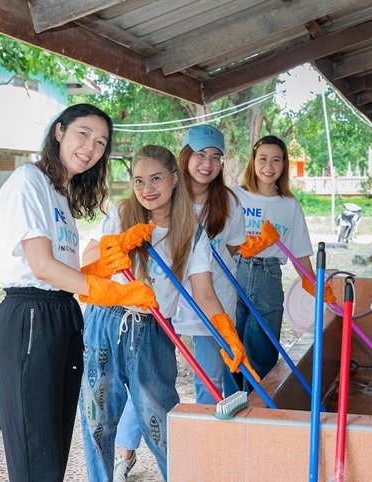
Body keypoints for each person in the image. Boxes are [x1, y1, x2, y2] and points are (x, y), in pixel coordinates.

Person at [0, 104, 158, 482]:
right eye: (83, 133)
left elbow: (63, 268)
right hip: (30, 315)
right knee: (36, 451)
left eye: (101, 142)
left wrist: (104, 263)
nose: (91, 147)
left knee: (54, 449)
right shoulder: (27, 181)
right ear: (59, 132)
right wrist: (113, 294)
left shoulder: (59, 196)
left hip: (62, 313)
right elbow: (42, 267)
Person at [79, 144, 248, 482]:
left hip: (154, 329)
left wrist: (225, 332)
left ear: (174, 179)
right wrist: (120, 244)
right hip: (105, 321)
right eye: (139, 181)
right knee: (98, 418)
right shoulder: (122, 214)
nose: (147, 189)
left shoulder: (192, 233)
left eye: (156, 178)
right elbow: (87, 265)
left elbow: (204, 293)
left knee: (160, 418)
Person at [224, 135, 336, 396]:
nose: (269, 166)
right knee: (231, 348)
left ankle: (260, 408)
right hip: (234, 273)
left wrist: (316, 286)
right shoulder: (234, 197)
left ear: (284, 165)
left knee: (262, 349)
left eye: (276, 160)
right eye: (263, 158)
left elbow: (300, 255)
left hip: (269, 277)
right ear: (253, 161)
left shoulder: (289, 205)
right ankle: (233, 407)